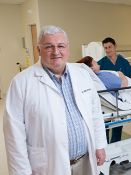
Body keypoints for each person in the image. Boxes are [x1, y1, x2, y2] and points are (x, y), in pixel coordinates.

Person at [3, 25, 107, 175]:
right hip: (48, 166)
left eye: (61, 46)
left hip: (85, 160)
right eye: (48, 47)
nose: (56, 52)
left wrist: (100, 145)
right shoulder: (21, 83)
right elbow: (14, 135)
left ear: (68, 48)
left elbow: (95, 113)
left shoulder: (82, 73)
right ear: (39, 50)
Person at [98, 37, 131, 143]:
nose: (108, 50)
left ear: (115, 46)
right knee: (105, 123)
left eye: (110, 47)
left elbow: (129, 78)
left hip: (121, 96)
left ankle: (115, 143)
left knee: (118, 122)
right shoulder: (101, 63)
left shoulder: (123, 62)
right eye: (105, 48)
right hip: (107, 96)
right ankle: (105, 145)